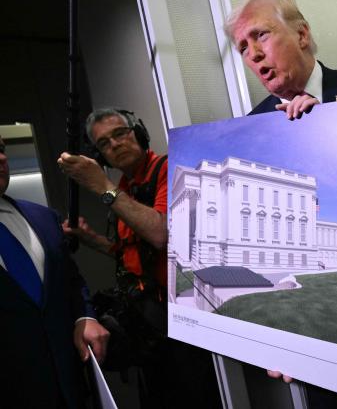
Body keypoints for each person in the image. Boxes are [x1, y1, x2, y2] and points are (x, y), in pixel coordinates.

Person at [58, 108, 221, 408]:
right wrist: (92, 240)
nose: (115, 145)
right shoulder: (124, 189)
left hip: (185, 326)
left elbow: (161, 233)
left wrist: (102, 187)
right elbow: (133, 252)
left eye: (120, 133)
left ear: (139, 133)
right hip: (151, 326)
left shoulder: (170, 169)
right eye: (105, 143)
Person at [0, 134, 110, 408]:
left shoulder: (45, 218)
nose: (2, 158)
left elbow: (71, 281)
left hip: (70, 387)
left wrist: (84, 316)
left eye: (1, 150)